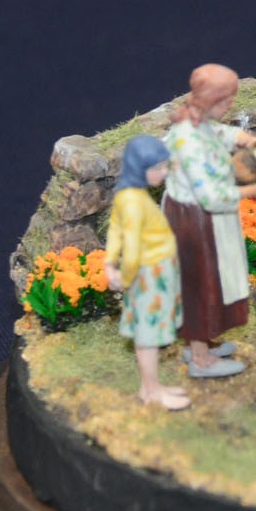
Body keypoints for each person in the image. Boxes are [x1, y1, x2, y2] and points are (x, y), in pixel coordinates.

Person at [161, 63, 256, 380]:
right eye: (227, 100)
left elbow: (216, 132)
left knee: (211, 283)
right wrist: (253, 191)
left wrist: (244, 139)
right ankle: (200, 358)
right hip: (195, 224)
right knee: (201, 286)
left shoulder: (196, 123)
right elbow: (211, 196)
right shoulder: (189, 142)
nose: (231, 105)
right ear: (211, 100)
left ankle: (201, 343)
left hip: (203, 219)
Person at [101, 136, 190, 411]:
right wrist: (125, 278)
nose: (163, 173)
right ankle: (152, 393)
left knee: (148, 334)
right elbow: (132, 248)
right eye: (158, 168)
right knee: (149, 336)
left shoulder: (129, 195)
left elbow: (115, 229)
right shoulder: (133, 202)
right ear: (140, 168)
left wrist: (109, 263)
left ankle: (149, 387)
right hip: (151, 274)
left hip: (154, 270)